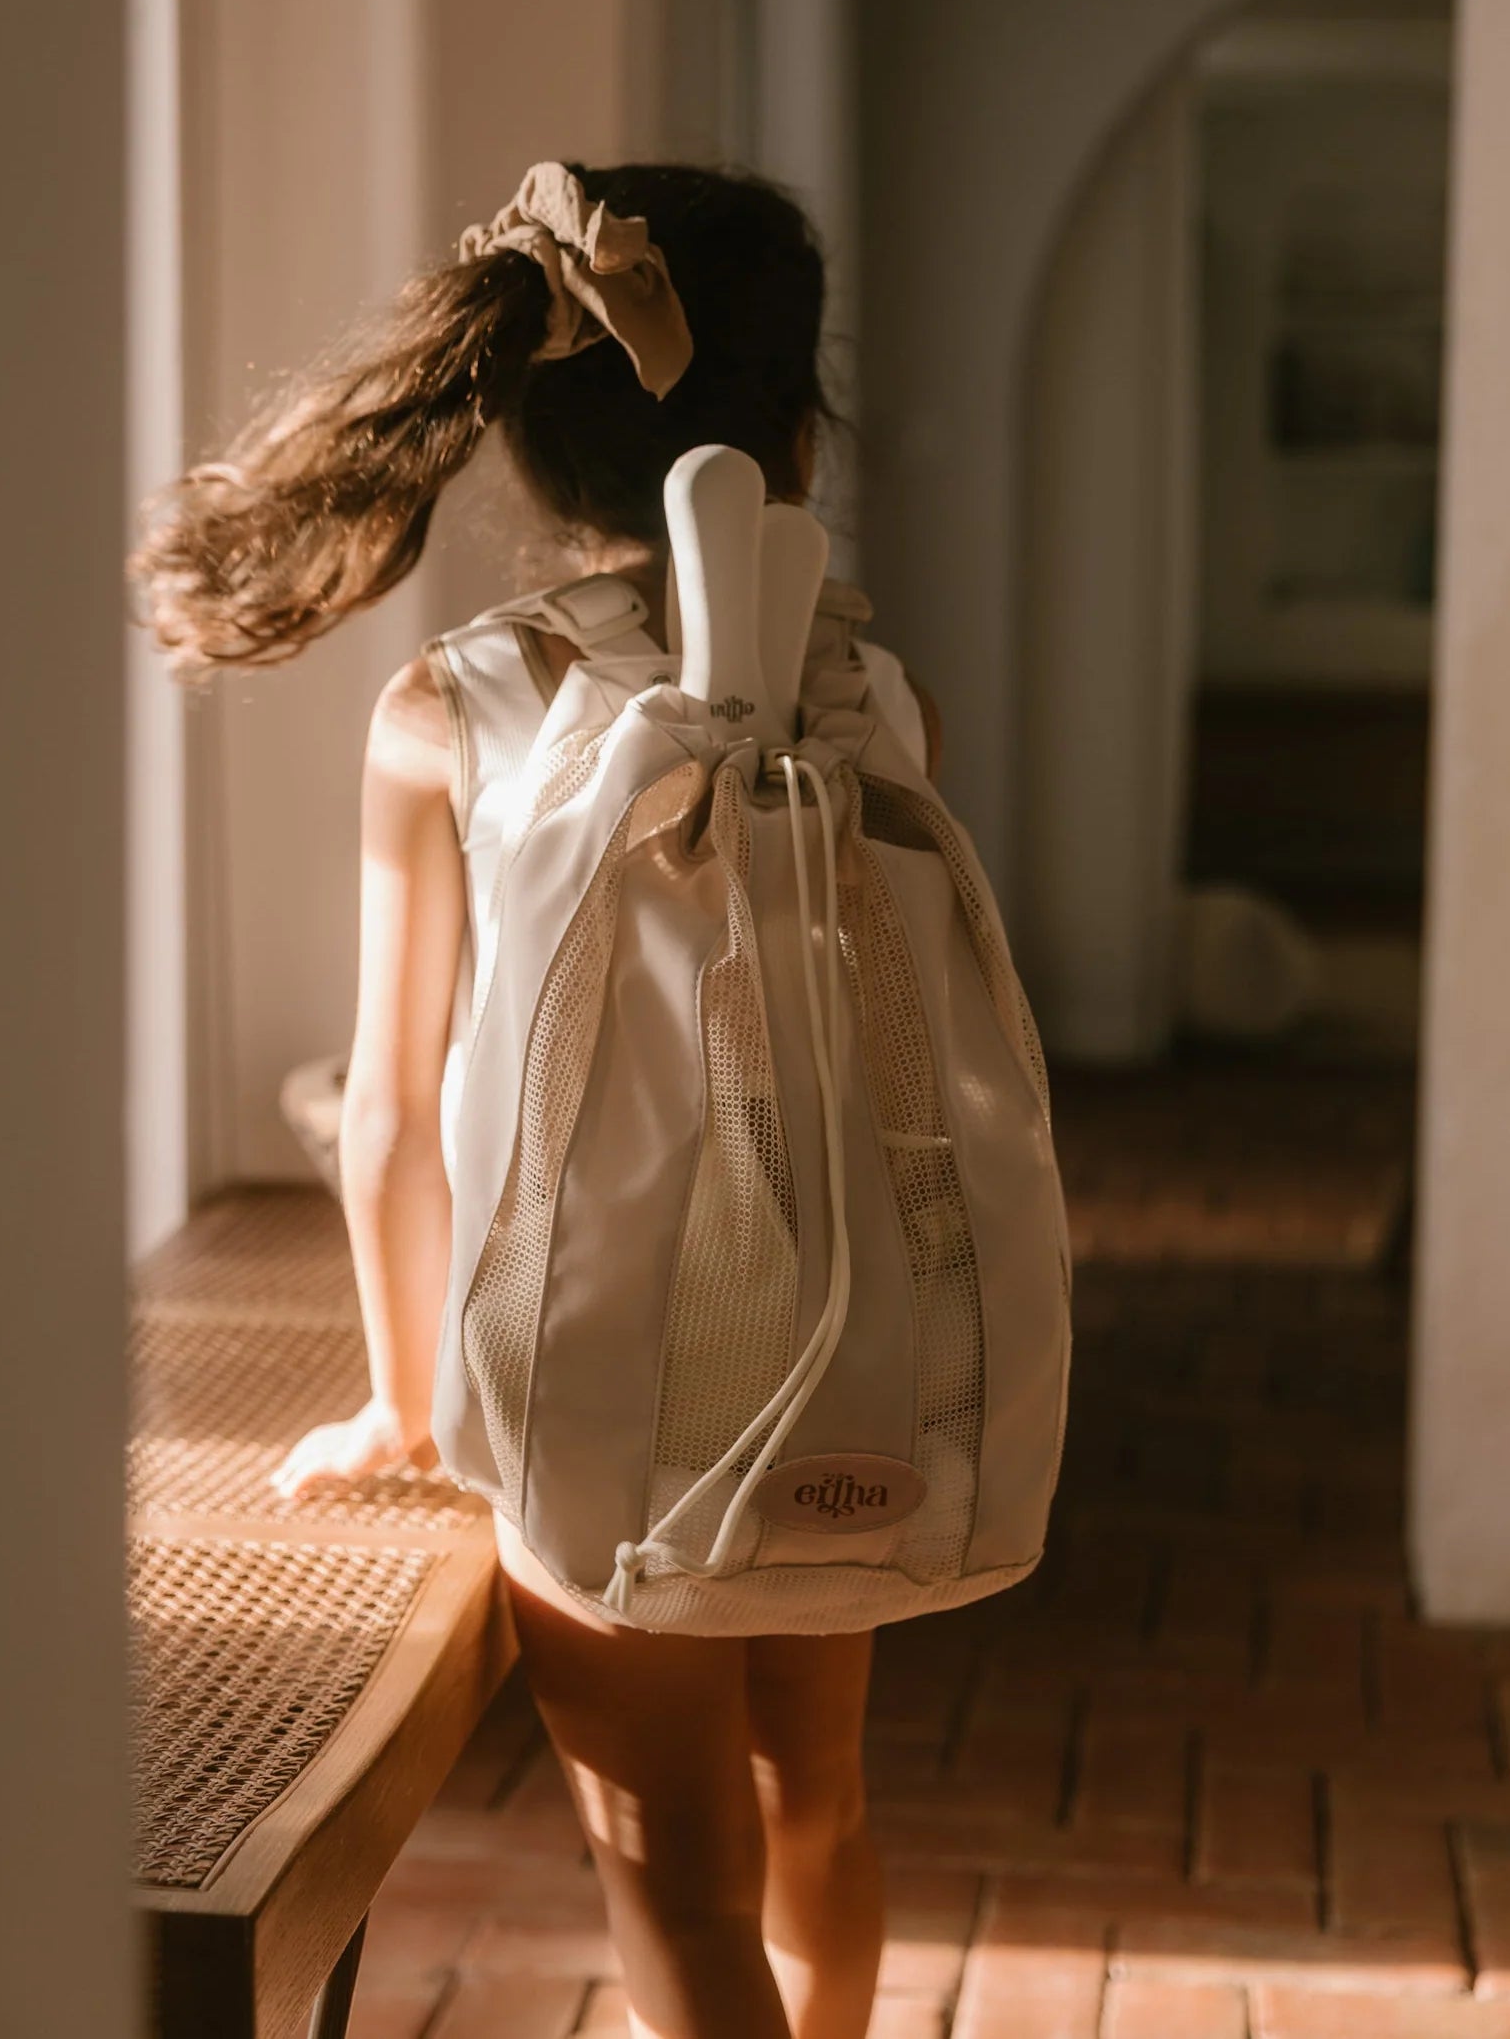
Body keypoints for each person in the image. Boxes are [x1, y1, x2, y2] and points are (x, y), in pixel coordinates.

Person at [132, 161, 944, 2039]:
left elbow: (400, 1109)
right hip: (849, 1327)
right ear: (799, 434)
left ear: (522, 440)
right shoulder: (872, 691)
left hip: (600, 1372)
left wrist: (406, 1399)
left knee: (671, 1875)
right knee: (815, 1797)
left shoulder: (449, 702)